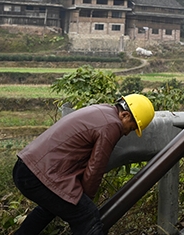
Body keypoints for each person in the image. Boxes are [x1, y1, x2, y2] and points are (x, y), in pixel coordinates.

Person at [12, 93, 155, 235]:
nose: (127, 134)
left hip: (27, 169)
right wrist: (85, 200)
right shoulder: (112, 126)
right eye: (131, 128)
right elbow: (95, 168)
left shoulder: (103, 109)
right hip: (39, 175)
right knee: (87, 216)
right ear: (125, 116)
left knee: (49, 209)